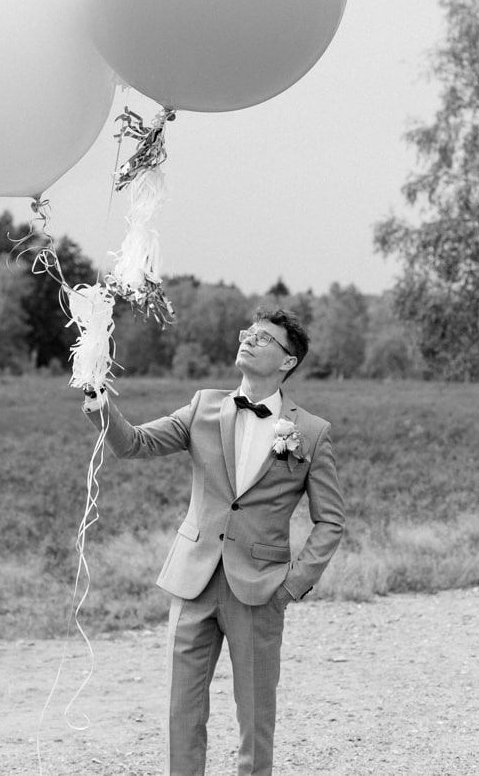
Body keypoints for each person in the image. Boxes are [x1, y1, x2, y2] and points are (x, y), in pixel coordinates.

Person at [83, 308, 345, 776]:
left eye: (263, 339)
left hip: (260, 591)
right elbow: (135, 444)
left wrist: (290, 587)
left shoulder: (310, 432)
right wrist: (102, 403)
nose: (247, 340)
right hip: (193, 579)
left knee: (255, 717)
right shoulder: (203, 406)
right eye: (247, 332)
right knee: (182, 713)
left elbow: (330, 522)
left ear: (288, 362)